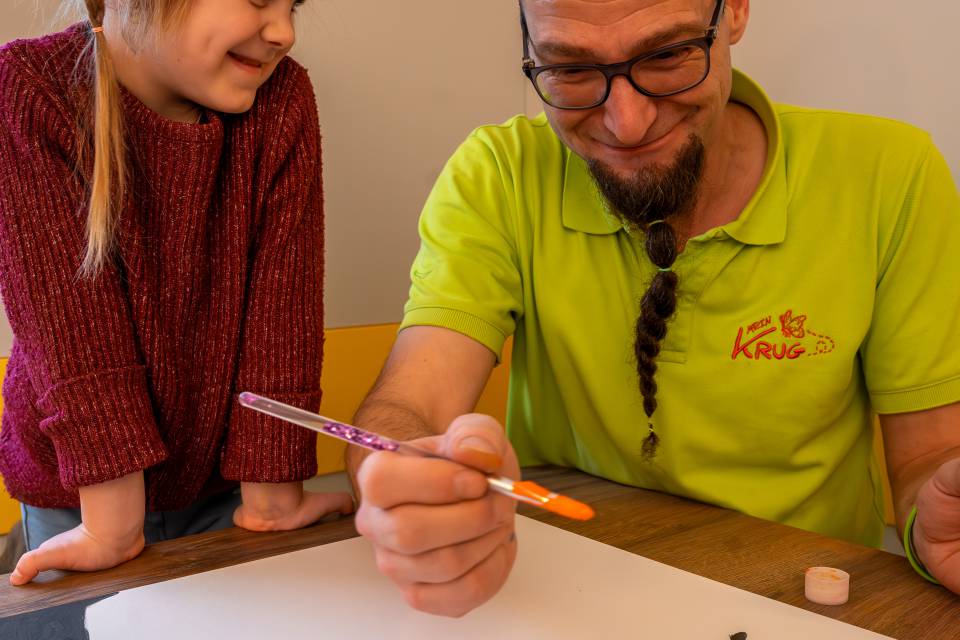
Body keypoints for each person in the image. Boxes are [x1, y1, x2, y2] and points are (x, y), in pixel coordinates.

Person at [348, 0, 960, 617]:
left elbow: (927, 461)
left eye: (668, 55)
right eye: (571, 70)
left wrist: (935, 519)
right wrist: (403, 489)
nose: (627, 122)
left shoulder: (890, 176)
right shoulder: (499, 172)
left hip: (810, 609)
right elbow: (409, 406)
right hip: (563, 600)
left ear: (736, 13)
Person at [0, 0, 353, 586]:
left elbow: (282, 316)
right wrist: (110, 525)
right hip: (83, 499)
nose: (285, 32)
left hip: (221, 486)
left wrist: (274, 495)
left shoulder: (283, 100)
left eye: (294, 6)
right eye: (260, 0)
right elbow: (73, 332)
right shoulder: (31, 91)